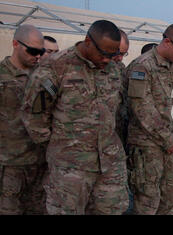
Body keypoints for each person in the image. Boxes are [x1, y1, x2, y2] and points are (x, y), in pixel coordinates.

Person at [21, 20, 128, 214]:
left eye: (113, 55)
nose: (107, 60)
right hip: (70, 169)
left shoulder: (113, 69)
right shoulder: (55, 67)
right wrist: (60, 148)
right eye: (104, 54)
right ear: (88, 41)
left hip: (109, 164)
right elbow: (34, 116)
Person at [126, 23, 173, 215]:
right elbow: (141, 108)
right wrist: (168, 138)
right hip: (148, 146)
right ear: (166, 42)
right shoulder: (142, 66)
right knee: (148, 198)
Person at [0, 24, 46, 215]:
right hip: (9, 164)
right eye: (33, 50)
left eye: (41, 51)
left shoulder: (42, 77)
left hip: (39, 163)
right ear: (15, 44)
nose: (37, 56)